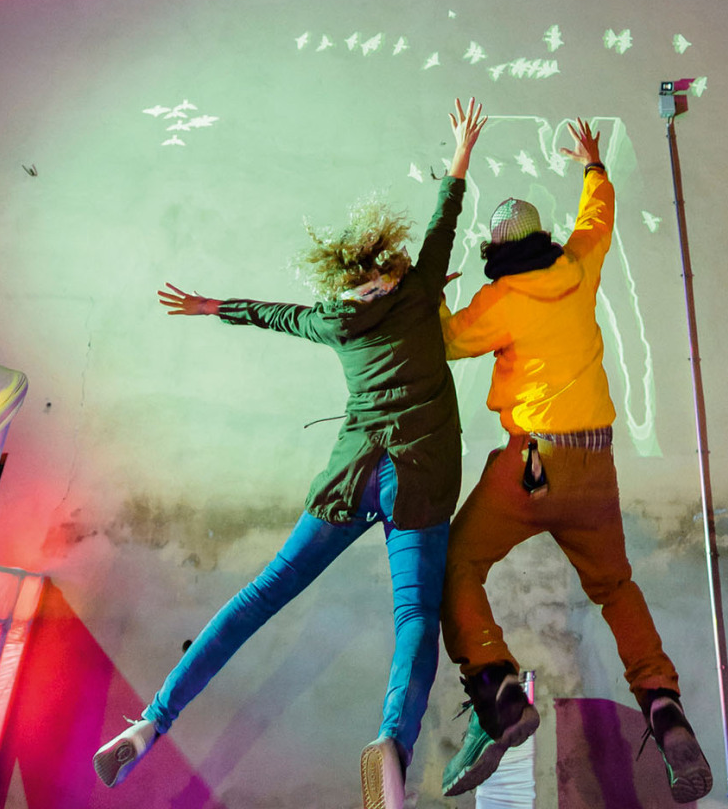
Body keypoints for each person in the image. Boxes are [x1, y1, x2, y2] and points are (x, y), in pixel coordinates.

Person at [92, 98, 486, 809]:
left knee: (260, 596)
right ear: (394, 264)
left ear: (345, 276)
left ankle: (152, 722)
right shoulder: (422, 287)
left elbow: (273, 315)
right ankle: (392, 747)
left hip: (351, 476)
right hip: (420, 479)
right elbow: (444, 220)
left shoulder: (333, 320)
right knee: (415, 620)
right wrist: (459, 153)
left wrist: (215, 307)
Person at [436, 119, 713, 803]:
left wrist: (433, 295)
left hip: (532, 465)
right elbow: (598, 217)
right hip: (596, 464)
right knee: (615, 587)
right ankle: (661, 701)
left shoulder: (498, 303)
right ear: (542, 238)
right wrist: (593, 164)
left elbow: (443, 342)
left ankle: (498, 689)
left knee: (457, 564)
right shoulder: (580, 268)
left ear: (496, 252)